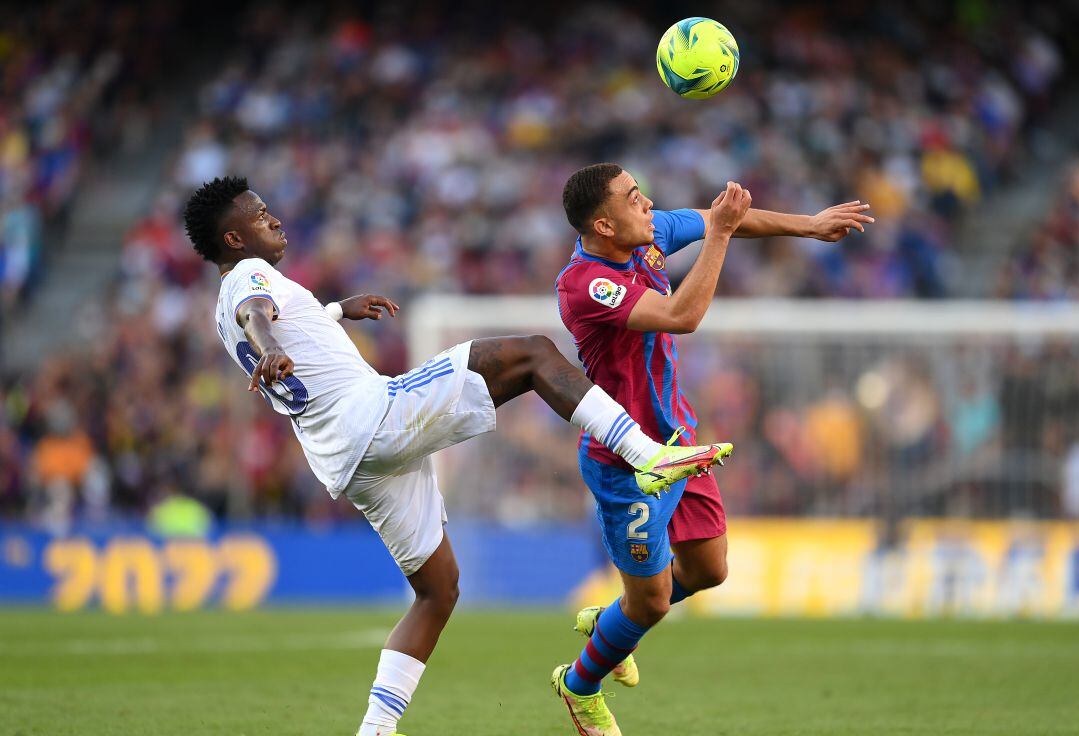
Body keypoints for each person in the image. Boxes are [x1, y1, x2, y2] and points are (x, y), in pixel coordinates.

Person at [182, 176, 736, 736]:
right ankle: (644, 452)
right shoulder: (253, 281)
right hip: (371, 416)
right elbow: (260, 314)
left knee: (437, 592)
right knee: (532, 355)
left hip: (343, 459)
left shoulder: (223, 303)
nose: (274, 219)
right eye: (259, 216)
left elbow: (267, 318)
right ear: (233, 239)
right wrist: (273, 349)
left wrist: (336, 311)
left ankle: (375, 730)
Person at [551, 163, 874, 735]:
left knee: (709, 569)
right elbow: (682, 316)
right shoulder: (586, 284)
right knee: (649, 605)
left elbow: (721, 219)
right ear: (603, 224)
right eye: (633, 198)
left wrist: (809, 225)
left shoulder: (648, 236)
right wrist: (720, 234)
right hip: (628, 461)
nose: (647, 203)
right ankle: (578, 685)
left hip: (679, 439)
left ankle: (609, 626)